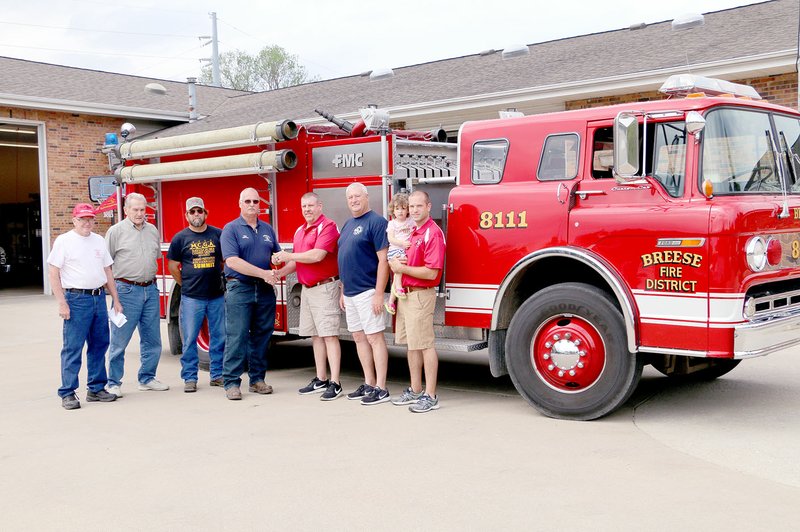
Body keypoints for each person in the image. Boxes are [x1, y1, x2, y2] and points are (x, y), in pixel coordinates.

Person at [48, 203, 122, 410]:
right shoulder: (64, 241)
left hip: (98, 298)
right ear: (74, 220)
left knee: (99, 344)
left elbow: (107, 271)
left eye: (90, 218)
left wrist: (115, 299)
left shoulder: (98, 241)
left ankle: (96, 388)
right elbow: (54, 272)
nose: (87, 222)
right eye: (82, 219)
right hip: (76, 299)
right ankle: (68, 392)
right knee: (73, 347)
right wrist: (62, 303)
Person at [273, 192, 343, 401]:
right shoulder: (300, 230)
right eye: (304, 206)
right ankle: (321, 379)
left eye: (311, 206)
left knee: (329, 335)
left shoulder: (328, 226)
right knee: (315, 336)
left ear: (320, 205)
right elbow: (298, 262)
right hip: (307, 289)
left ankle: (335, 383)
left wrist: (288, 255)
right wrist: (278, 273)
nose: (307, 210)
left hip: (325, 288)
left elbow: (317, 255)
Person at [388, 190, 446, 413]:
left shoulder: (433, 233)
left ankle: (430, 396)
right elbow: (413, 260)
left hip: (421, 295)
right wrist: (401, 261)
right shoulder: (413, 232)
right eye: (411, 206)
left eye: (418, 206)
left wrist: (402, 268)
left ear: (429, 206)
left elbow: (432, 273)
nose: (413, 210)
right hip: (406, 295)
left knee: (425, 345)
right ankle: (415, 390)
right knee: (412, 345)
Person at [220, 187, 280, 400]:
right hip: (240, 288)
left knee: (262, 337)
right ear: (240, 204)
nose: (252, 204)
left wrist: (280, 266)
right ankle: (231, 383)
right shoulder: (231, 229)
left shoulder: (267, 229)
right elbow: (232, 261)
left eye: (255, 201)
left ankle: (257, 380)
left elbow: (276, 255)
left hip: (264, 290)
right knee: (237, 336)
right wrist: (263, 273)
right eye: (247, 201)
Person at [106, 192, 168, 396]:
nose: (140, 213)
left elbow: (155, 257)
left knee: (152, 339)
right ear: (126, 210)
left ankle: (147, 378)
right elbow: (106, 266)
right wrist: (114, 297)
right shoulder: (115, 232)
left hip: (150, 289)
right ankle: (113, 382)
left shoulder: (152, 230)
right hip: (126, 291)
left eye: (143, 209)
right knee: (119, 340)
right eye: (135, 209)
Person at [338, 182, 391, 405]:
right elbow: (344, 259)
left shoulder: (377, 222)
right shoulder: (348, 224)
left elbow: (383, 261)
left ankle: (381, 387)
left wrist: (379, 293)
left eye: (357, 196)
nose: (353, 200)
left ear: (367, 197)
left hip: (368, 291)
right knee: (358, 338)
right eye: (350, 197)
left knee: (374, 338)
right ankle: (369, 382)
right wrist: (342, 291)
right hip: (349, 293)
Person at [167, 197, 225, 393]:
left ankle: (217, 375)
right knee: (190, 338)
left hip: (216, 296)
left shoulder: (218, 234)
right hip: (192, 298)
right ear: (187, 216)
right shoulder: (180, 238)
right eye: (192, 212)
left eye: (199, 211)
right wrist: (186, 284)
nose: (196, 215)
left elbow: (224, 262)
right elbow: (173, 266)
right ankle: (190, 378)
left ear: (205, 213)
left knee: (219, 336)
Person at [384, 192, 414, 315]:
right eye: (397, 209)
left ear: (407, 209)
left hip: (405, 249)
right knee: (399, 268)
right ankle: (399, 287)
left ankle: (391, 301)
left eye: (403, 208)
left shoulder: (411, 221)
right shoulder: (392, 223)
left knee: (399, 272)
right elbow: (390, 239)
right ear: (393, 210)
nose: (400, 211)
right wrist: (402, 243)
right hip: (395, 250)